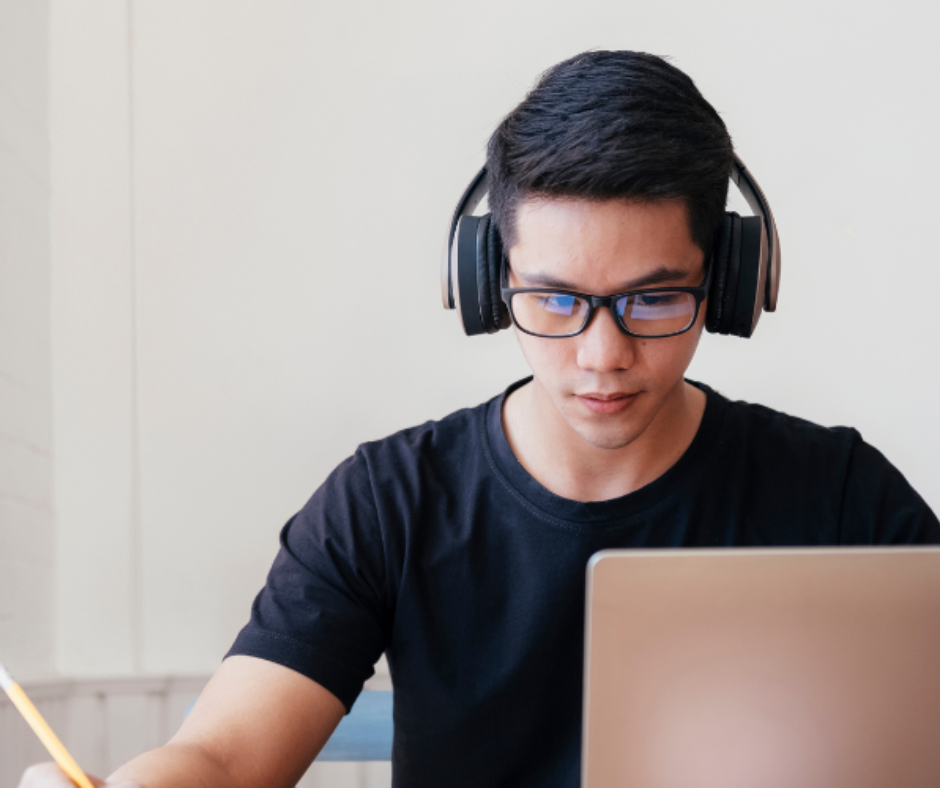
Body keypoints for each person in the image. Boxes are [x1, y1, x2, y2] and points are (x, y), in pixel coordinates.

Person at [20, 50, 939, 788]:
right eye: (554, 300)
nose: (602, 353)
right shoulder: (387, 502)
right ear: (487, 288)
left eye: (654, 301)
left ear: (730, 284)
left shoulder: (839, 495)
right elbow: (223, 757)